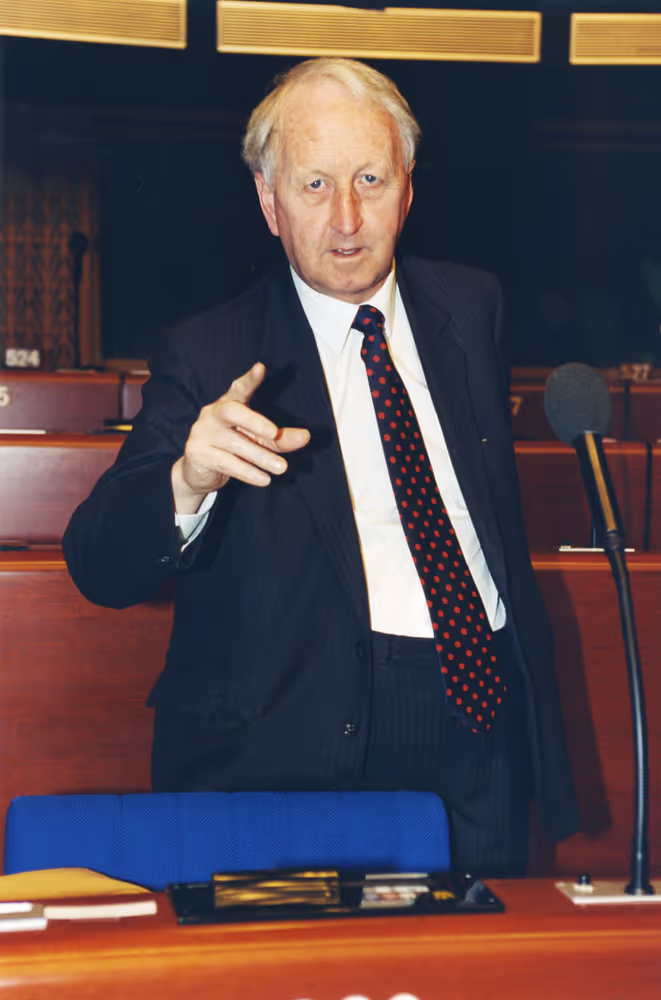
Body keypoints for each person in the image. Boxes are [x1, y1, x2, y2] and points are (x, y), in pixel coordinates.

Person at [64, 58, 578, 874]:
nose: (346, 217)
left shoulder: (468, 307)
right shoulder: (211, 352)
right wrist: (187, 483)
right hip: (301, 728)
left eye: (370, 179)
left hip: (481, 705)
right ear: (269, 204)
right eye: (313, 186)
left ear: (407, 188)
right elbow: (97, 562)